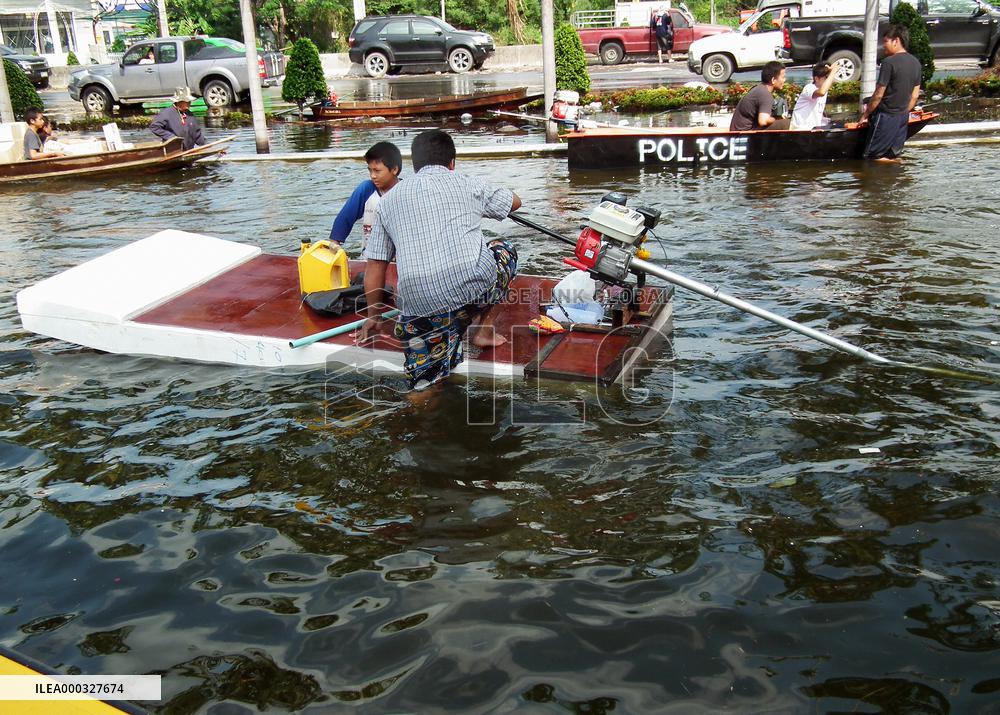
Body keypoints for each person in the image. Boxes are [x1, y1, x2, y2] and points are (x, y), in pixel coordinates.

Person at [358, 129, 521, 390]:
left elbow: (376, 265)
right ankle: (483, 331)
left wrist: (374, 316)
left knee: (424, 385)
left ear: (414, 165)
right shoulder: (469, 183)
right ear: (452, 163)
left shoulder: (387, 202)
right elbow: (515, 202)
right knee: (504, 250)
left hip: (419, 305)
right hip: (473, 290)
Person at [860, 25, 922, 162]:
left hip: (886, 117)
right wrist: (903, 112)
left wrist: (866, 115)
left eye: (886, 41)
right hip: (902, 118)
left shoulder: (889, 62)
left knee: (872, 158)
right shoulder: (916, 63)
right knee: (893, 156)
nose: (883, 46)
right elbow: (915, 96)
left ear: (896, 41)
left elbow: (878, 94)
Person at [328, 141, 402, 250]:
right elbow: (345, 218)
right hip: (369, 256)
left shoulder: (405, 192)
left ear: (394, 169)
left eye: (377, 171)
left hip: (398, 257)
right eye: (370, 170)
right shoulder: (366, 189)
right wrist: (334, 244)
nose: (373, 176)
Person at [730, 61, 790, 131]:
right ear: (773, 80)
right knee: (786, 123)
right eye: (783, 77)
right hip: (744, 134)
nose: (785, 80)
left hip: (740, 131)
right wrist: (777, 118)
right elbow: (763, 121)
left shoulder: (759, 89)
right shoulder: (765, 94)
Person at [791, 62, 835, 130]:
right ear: (816, 78)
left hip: (814, 129)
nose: (829, 81)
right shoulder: (809, 88)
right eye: (826, 77)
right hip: (800, 129)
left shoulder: (824, 90)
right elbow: (821, 92)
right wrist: (833, 72)